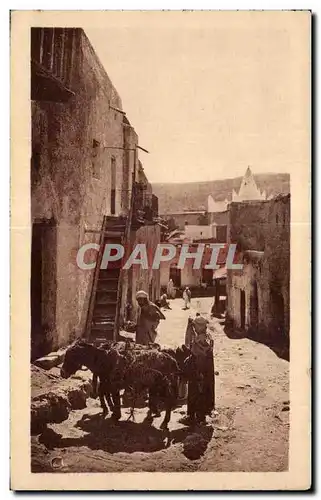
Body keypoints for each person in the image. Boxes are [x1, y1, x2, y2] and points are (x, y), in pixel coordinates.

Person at [182, 314, 215, 425]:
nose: (194, 328)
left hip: (199, 370)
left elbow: (195, 351)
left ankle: (196, 417)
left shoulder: (202, 339)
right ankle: (198, 416)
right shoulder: (207, 336)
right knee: (201, 391)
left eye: (195, 326)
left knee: (197, 392)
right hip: (204, 371)